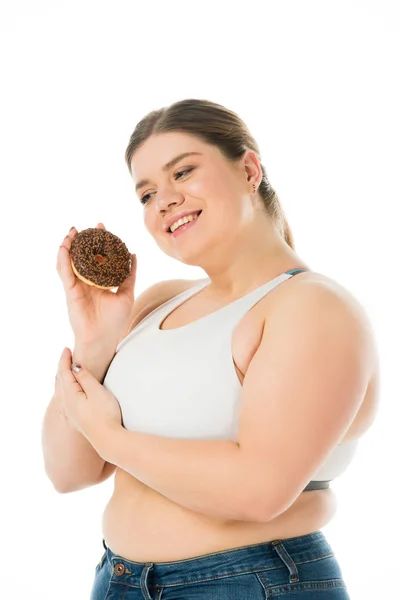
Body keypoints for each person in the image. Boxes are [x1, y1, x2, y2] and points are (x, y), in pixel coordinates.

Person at [42, 99, 380, 599]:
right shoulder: (157, 304)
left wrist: (110, 438)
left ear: (248, 169)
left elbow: (258, 490)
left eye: (183, 172)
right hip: (118, 580)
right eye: (147, 193)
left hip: (249, 582)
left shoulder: (312, 307)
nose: (164, 200)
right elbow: (68, 473)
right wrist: (95, 342)